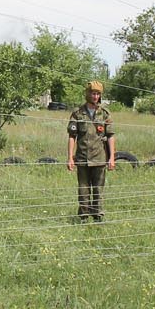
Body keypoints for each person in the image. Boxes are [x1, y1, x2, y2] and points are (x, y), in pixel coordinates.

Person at [67, 80, 116, 222]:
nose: (95, 96)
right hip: (82, 158)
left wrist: (112, 157)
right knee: (83, 191)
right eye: (93, 93)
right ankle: (83, 217)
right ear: (87, 94)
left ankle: (98, 216)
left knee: (98, 190)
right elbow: (72, 136)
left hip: (99, 158)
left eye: (98, 94)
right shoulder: (78, 113)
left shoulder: (105, 114)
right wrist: (70, 157)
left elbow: (111, 136)